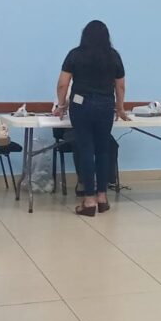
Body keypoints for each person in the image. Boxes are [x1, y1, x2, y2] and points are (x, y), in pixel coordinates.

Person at [54, 20, 129, 217]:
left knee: (86, 149)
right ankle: (102, 198)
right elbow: (120, 86)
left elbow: (63, 84)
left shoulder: (75, 55)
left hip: (80, 104)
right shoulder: (113, 56)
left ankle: (88, 200)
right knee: (103, 150)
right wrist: (120, 108)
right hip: (106, 105)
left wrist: (61, 105)